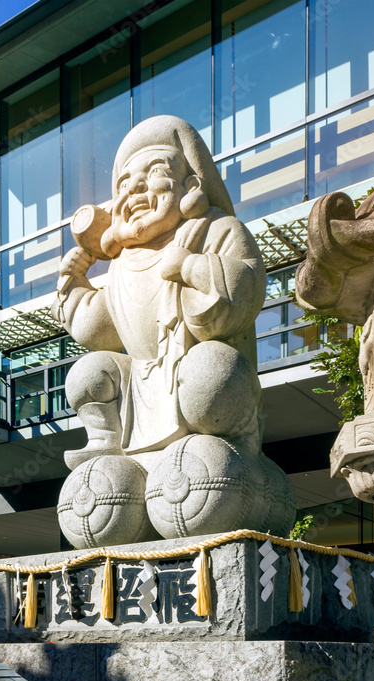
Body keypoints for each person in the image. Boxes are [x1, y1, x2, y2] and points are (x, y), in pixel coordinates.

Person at [52, 115, 266, 471]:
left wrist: (188, 266)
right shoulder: (123, 262)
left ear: (191, 185)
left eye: (152, 173)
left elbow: (243, 291)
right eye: (124, 184)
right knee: (89, 371)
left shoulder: (214, 229)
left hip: (200, 382)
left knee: (211, 370)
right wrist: (73, 283)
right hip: (140, 381)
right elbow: (98, 329)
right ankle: (107, 442)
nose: (134, 188)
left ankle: (227, 440)